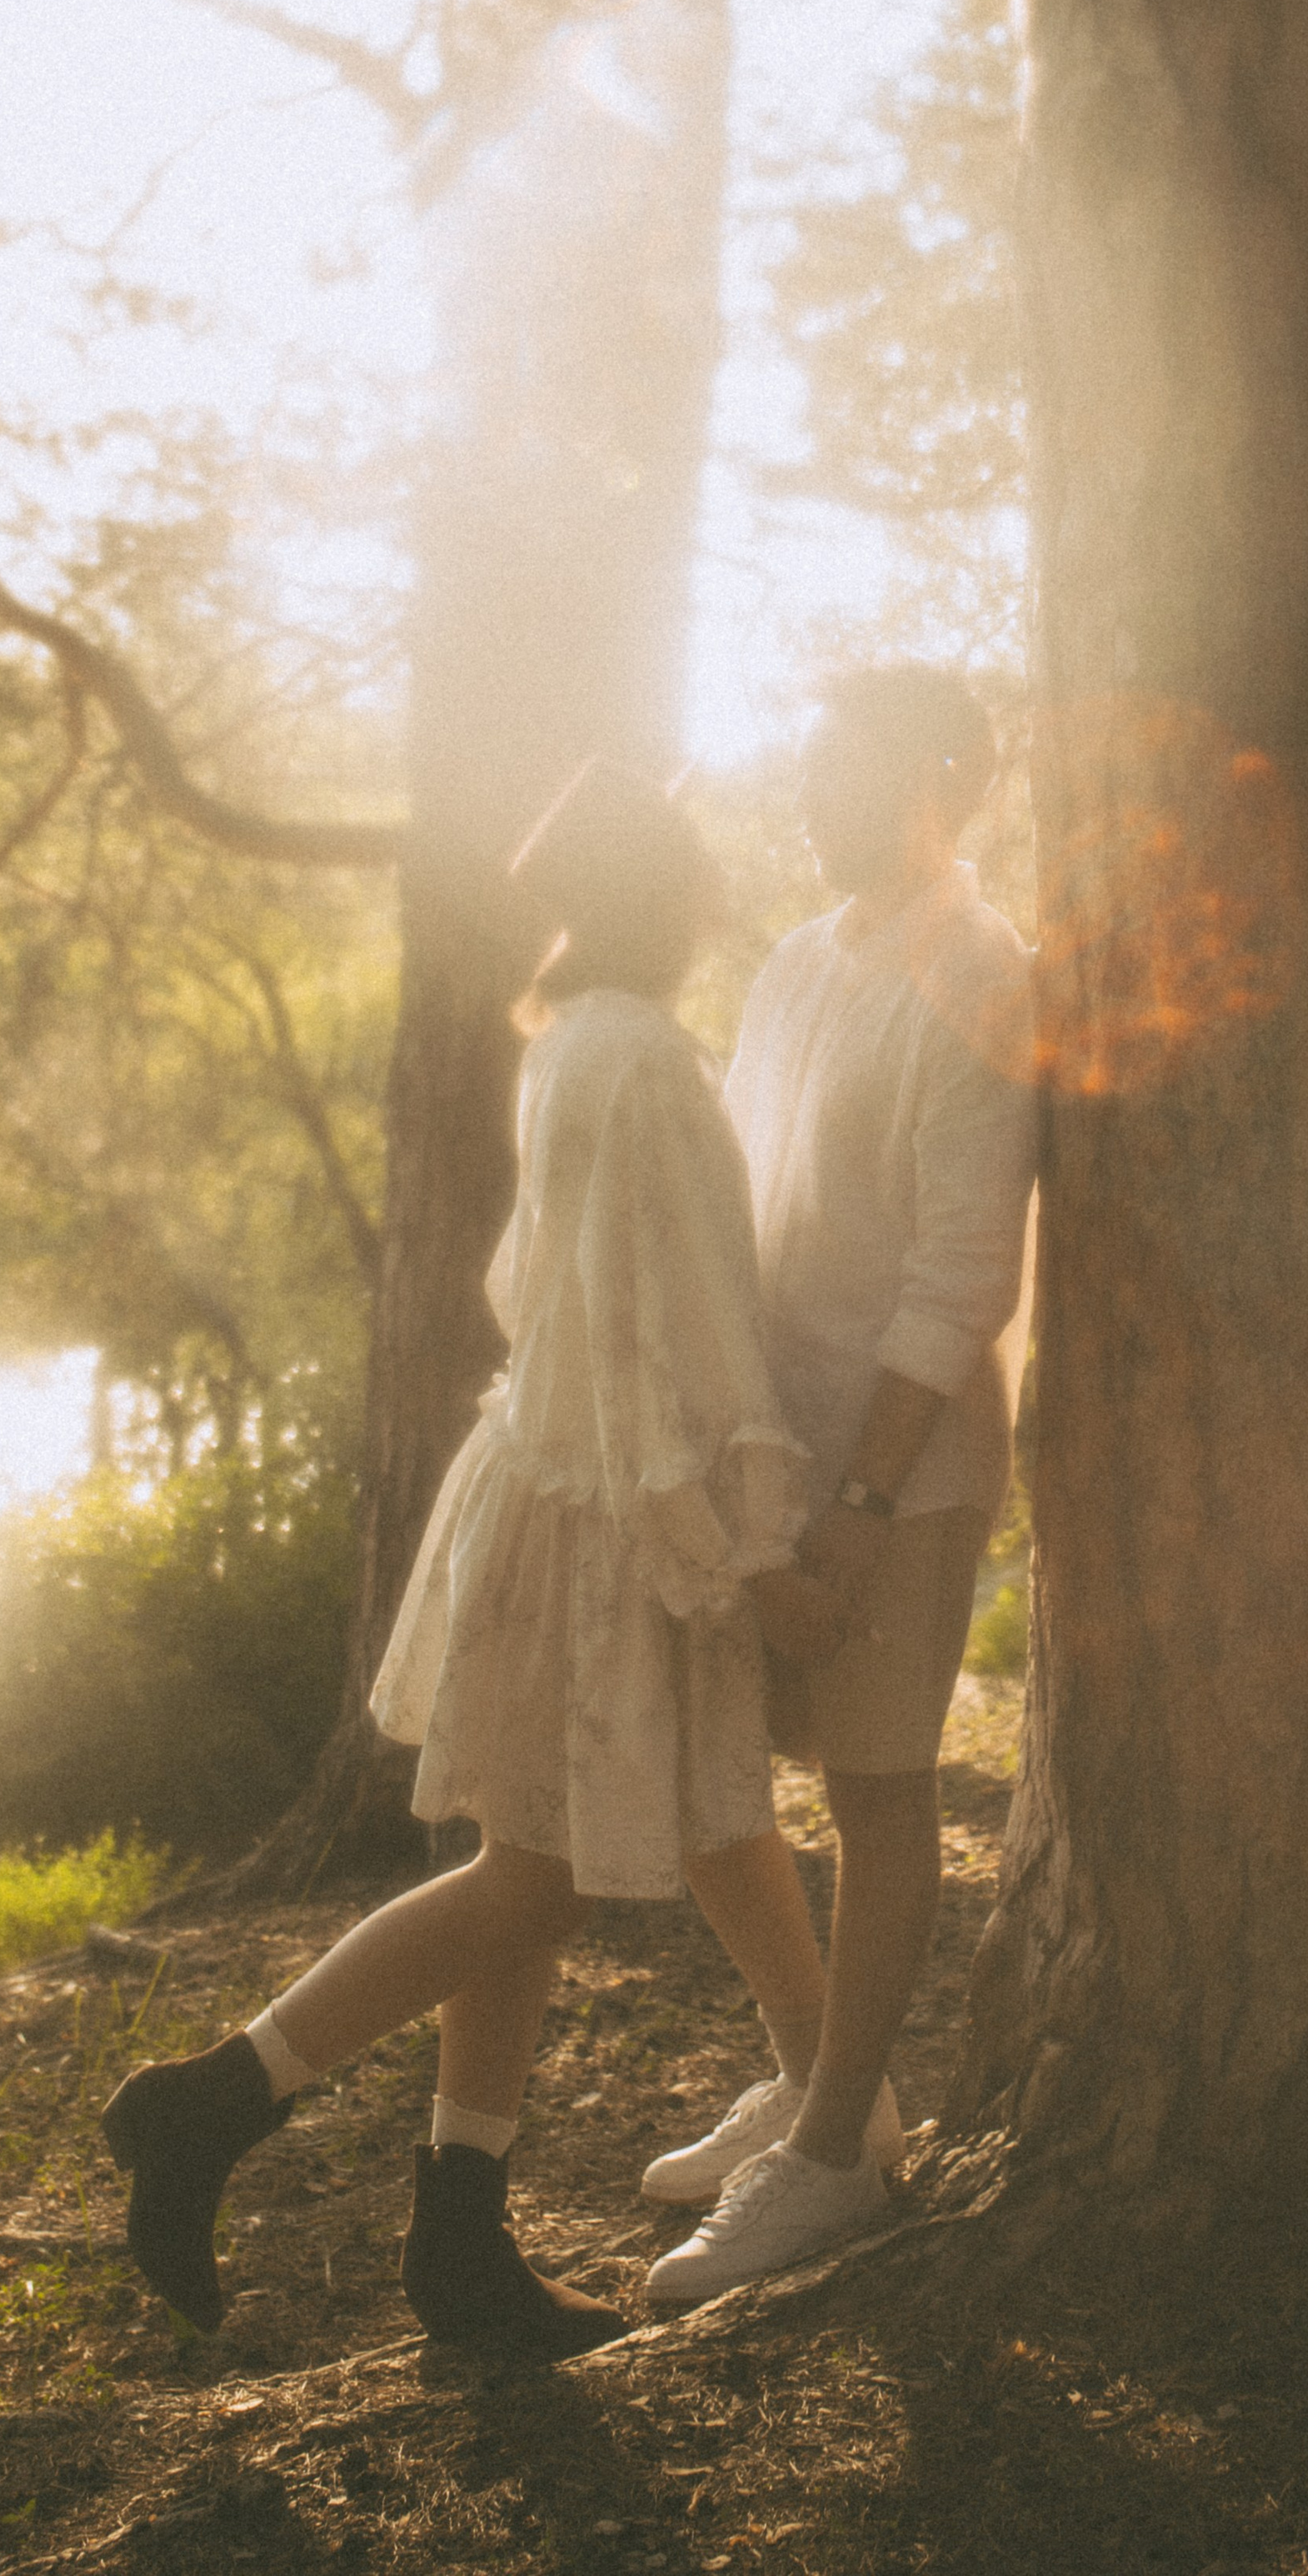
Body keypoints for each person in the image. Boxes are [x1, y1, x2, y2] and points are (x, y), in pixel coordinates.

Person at [100, 761, 842, 2359]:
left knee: (528, 1881)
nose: (718, 899)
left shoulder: (571, 1039)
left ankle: (460, 2234)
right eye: (703, 876)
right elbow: (671, 1338)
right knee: (529, 1878)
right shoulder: (639, 1062)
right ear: (676, 897)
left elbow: (551, 1295)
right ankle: (216, 2102)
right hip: (598, 1524)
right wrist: (743, 1543)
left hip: (552, 1498)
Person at [642, 664, 1038, 2304]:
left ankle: (827, 2172)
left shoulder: (980, 972)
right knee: (702, 1775)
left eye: (847, 770)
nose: (811, 797)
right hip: (765, 1443)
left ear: (940, 784)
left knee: (877, 1796)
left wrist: (857, 1514)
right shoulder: (800, 963)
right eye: (806, 765)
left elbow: (959, 1281)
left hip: (901, 1458)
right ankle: (828, 2082)